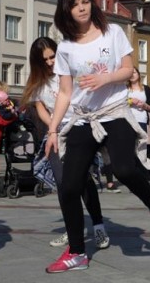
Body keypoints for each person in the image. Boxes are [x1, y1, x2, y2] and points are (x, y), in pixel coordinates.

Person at [43, 0, 150, 273]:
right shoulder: (65, 47)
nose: (81, 7)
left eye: (85, 1)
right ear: (66, 10)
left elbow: (129, 70)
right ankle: (77, 252)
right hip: (83, 118)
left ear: (92, 3)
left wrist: (105, 80)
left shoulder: (112, 33)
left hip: (115, 112)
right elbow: (65, 93)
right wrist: (53, 130)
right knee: (69, 186)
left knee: (125, 169)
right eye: (75, 4)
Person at [20, 36, 110, 251]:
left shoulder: (69, 73)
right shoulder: (38, 81)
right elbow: (39, 106)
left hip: (78, 130)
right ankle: (72, 230)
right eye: (45, 59)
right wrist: (52, 125)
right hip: (55, 134)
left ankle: (98, 226)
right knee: (64, 184)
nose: (50, 62)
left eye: (52, 56)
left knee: (83, 180)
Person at [127, 67, 150, 178]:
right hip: (128, 121)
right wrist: (130, 101)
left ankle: (144, 173)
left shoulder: (146, 89)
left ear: (138, 74)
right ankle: (132, 174)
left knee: (142, 147)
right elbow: (118, 103)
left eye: (134, 72)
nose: (133, 75)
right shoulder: (124, 89)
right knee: (130, 148)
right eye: (130, 73)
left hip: (142, 120)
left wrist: (144, 106)